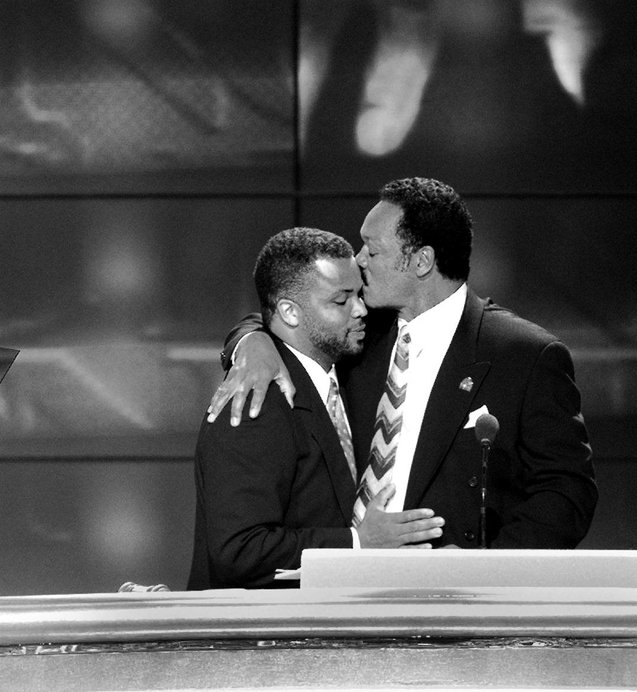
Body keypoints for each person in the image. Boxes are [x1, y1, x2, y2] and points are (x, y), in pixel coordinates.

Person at [208, 178, 597, 550]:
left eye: (372, 251)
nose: (358, 261)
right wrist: (250, 341)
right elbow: (291, 311)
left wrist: (485, 566)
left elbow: (567, 491)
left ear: (421, 261)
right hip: (340, 580)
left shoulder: (523, 355)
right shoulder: (359, 331)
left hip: (455, 597)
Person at [187, 226, 444, 589]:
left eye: (359, 293)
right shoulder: (253, 399)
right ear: (290, 312)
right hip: (262, 639)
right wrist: (358, 543)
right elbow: (238, 551)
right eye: (340, 301)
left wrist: (250, 337)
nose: (360, 309)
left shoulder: (343, 378)